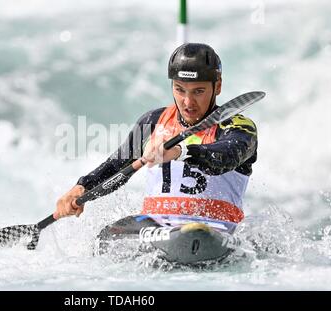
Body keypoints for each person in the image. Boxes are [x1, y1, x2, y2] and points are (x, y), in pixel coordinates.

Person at [54, 43, 258, 226]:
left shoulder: (238, 126)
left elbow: (228, 155)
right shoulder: (153, 121)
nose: (188, 103)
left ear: (218, 86)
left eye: (198, 91)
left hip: (212, 229)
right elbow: (117, 166)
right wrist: (82, 187)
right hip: (157, 230)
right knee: (108, 235)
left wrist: (180, 151)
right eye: (180, 90)